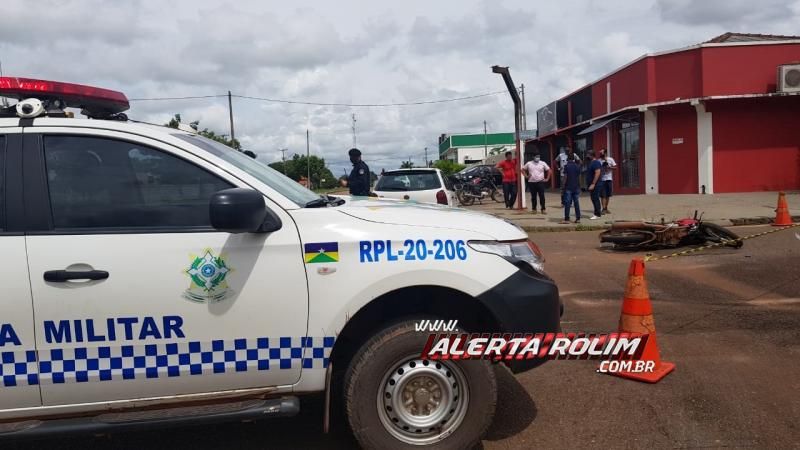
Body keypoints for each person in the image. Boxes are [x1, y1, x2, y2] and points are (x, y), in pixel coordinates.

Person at [560, 154, 582, 224]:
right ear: (574, 159)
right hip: (576, 187)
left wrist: (563, 187)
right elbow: (579, 177)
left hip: (568, 187)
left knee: (567, 203)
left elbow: (565, 177)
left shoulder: (566, 166)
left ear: (567, 159)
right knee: (576, 203)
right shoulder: (577, 166)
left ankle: (567, 219)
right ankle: (578, 218)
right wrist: (580, 186)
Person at [598, 148, 617, 214]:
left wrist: (610, 167)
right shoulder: (599, 161)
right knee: (603, 195)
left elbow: (615, 167)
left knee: (608, 195)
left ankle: (606, 208)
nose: (600, 154)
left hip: (609, 179)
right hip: (602, 179)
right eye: (600, 153)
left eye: (602, 153)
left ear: (605, 153)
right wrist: (602, 168)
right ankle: (603, 209)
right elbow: (597, 169)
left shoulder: (610, 159)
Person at [586, 151, 603, 220]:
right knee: (593, 198)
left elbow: (597, 172)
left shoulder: (596, 163)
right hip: (592, 184)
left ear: (592, 155)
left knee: (595, 198)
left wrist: (593, 184)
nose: (587, 156)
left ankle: (597, 214)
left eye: (588, 155)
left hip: (596, 184)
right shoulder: (591, 163)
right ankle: (597, 213)